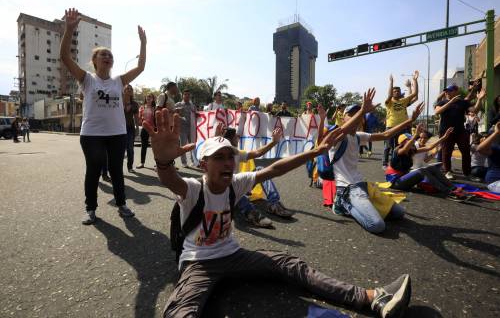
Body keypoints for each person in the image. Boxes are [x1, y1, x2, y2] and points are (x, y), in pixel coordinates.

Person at [142, 108, 413, 318]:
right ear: (204, 165)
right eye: (219, 157)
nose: (228, 163)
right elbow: (170, 180)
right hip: (198, 264)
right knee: (182, 310)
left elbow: (274, 169)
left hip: (233, 255)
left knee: (291, 264)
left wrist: (315, 151)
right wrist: (164, 161)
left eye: (230, 157)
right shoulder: (192, 189)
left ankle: (372, 298)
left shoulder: (236, 183)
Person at [60, 8, 145, 224]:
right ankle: (90, 209)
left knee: (117, 170)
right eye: (103, 54)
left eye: (110, 55)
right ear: (95, 60)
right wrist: (69, 29)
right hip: (92, 134)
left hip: (117, 133)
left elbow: (141, 67)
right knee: (94, 169)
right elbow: (64, 57)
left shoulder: (118, 81)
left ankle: (122, 204)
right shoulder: (86, 79)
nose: (108, 57)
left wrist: (143, 44)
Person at [331, 91, 425, 234]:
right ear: (343, 119)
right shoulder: (337, 136)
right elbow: (345, 130)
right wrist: (362, 110)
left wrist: (410, 120)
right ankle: (343, 205)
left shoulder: (358, 136)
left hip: (363, 185)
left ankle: (364, 205)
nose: (357, 117)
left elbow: (386, 134)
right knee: (377, 225)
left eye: (359, 115)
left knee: (399, 213)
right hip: (347, 189)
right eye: (352, 114)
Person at [223, 126, 294, 228]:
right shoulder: (216, 155)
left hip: (237, 188)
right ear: (230, 140)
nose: (238, 139)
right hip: (225, 196)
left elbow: (258, 153)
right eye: (236, 137)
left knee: (260, 169)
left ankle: (274, 204)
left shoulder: (236, 153)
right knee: (232, 184)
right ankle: (251, 213)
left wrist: (274, 142)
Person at [385, 126, 468, 200]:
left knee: (431, 168)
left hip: (405, 180)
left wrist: (444, 137)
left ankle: (453, 188)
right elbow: (404, 149)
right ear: (402, 143)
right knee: (421, 171)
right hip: (396, 183)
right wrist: (415, 135)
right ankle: (448, 192)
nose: (413, 142)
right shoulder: (398, 151)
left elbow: (429, 147)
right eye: (409, 140)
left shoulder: (412, 151)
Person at [435, 85, 486, 180]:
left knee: (466, 151)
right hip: (446, 131)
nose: (447, 93)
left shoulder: (463, 102)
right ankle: (447, 171)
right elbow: (437, 111)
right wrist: (450, 102)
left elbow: (475, 110)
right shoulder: (442, 102)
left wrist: (479, 99)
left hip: (460, 131)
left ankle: (467, 173)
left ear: (456, 91)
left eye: (449, 91)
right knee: (446, 152)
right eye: (446, 91)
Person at [382, 72, 419, 169]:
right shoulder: (389, 102)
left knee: (401, 146)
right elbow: (389, 95)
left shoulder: (404, 101)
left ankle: (396, 163)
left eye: (398, 91)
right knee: (388, 146)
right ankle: (385, 164)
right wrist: (391, 82)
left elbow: (415, 94)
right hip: (390, 127)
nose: (396, 92)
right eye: (395, 91)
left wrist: (415, 80)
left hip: (403, 127)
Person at [177, 89, 197, 167]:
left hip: (192, 128)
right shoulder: (178, 104)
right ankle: (184, 162)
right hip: (183, 128)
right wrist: (180, 117)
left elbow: (196, 115)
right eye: (185, 94)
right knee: (183, 146)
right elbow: (174, 114)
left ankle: (193, 161)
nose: (187, 96)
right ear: (183, 95)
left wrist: (197, 114)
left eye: (188, 94)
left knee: (192, 145)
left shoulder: (193, 106)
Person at [123, 85, 140, 173]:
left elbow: (136, 117)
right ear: (124, 90)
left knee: (130, 148)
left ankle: (130, 167)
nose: (129, 90)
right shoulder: (118, 101)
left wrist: (137, 128)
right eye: (127, 89)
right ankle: (117, 168)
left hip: (130, 128)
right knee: (120, 149)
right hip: (119, 129)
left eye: (131, 89)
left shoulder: (135, 104)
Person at [137, 93, 156, 169]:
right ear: (145, 98)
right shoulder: (142, 107)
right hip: (144, 129)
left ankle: (157, 164)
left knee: (155, 147)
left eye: (150, 97)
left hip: (153, 129)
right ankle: (142, 163)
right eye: (147, 96)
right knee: (143, 146)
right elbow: (139, 118)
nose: (148, 98)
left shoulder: (155, 108)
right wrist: (140, 120)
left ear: (153, 99)